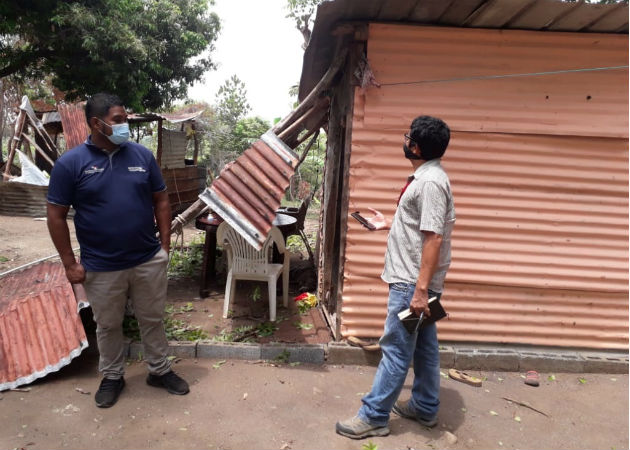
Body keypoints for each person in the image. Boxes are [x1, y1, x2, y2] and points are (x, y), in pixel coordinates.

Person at [47, 93, 189, 408]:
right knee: (108, 324)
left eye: (125, 118)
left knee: (152, 318)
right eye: (118, 120)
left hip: (146, 260)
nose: (125, 125)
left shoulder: (142, 156)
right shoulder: (70, 164)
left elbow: (161, 200)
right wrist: (70, 263)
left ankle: (159, 370)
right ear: (97, 123)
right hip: (101, 265)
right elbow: (55, 216)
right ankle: (112, 376)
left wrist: (163, 247)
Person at [336, 115, 455, 439]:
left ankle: (374, 415)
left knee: (397, 349)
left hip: (411, 284)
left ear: (415, 147)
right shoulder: (427, 176)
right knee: (425, 348)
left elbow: (434, 238)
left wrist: (419, 291)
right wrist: (391, 221)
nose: (404, 141)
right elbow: (423, 227)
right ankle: (425, 406)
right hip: (418, 282)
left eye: (408, 137)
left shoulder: (429, 183)